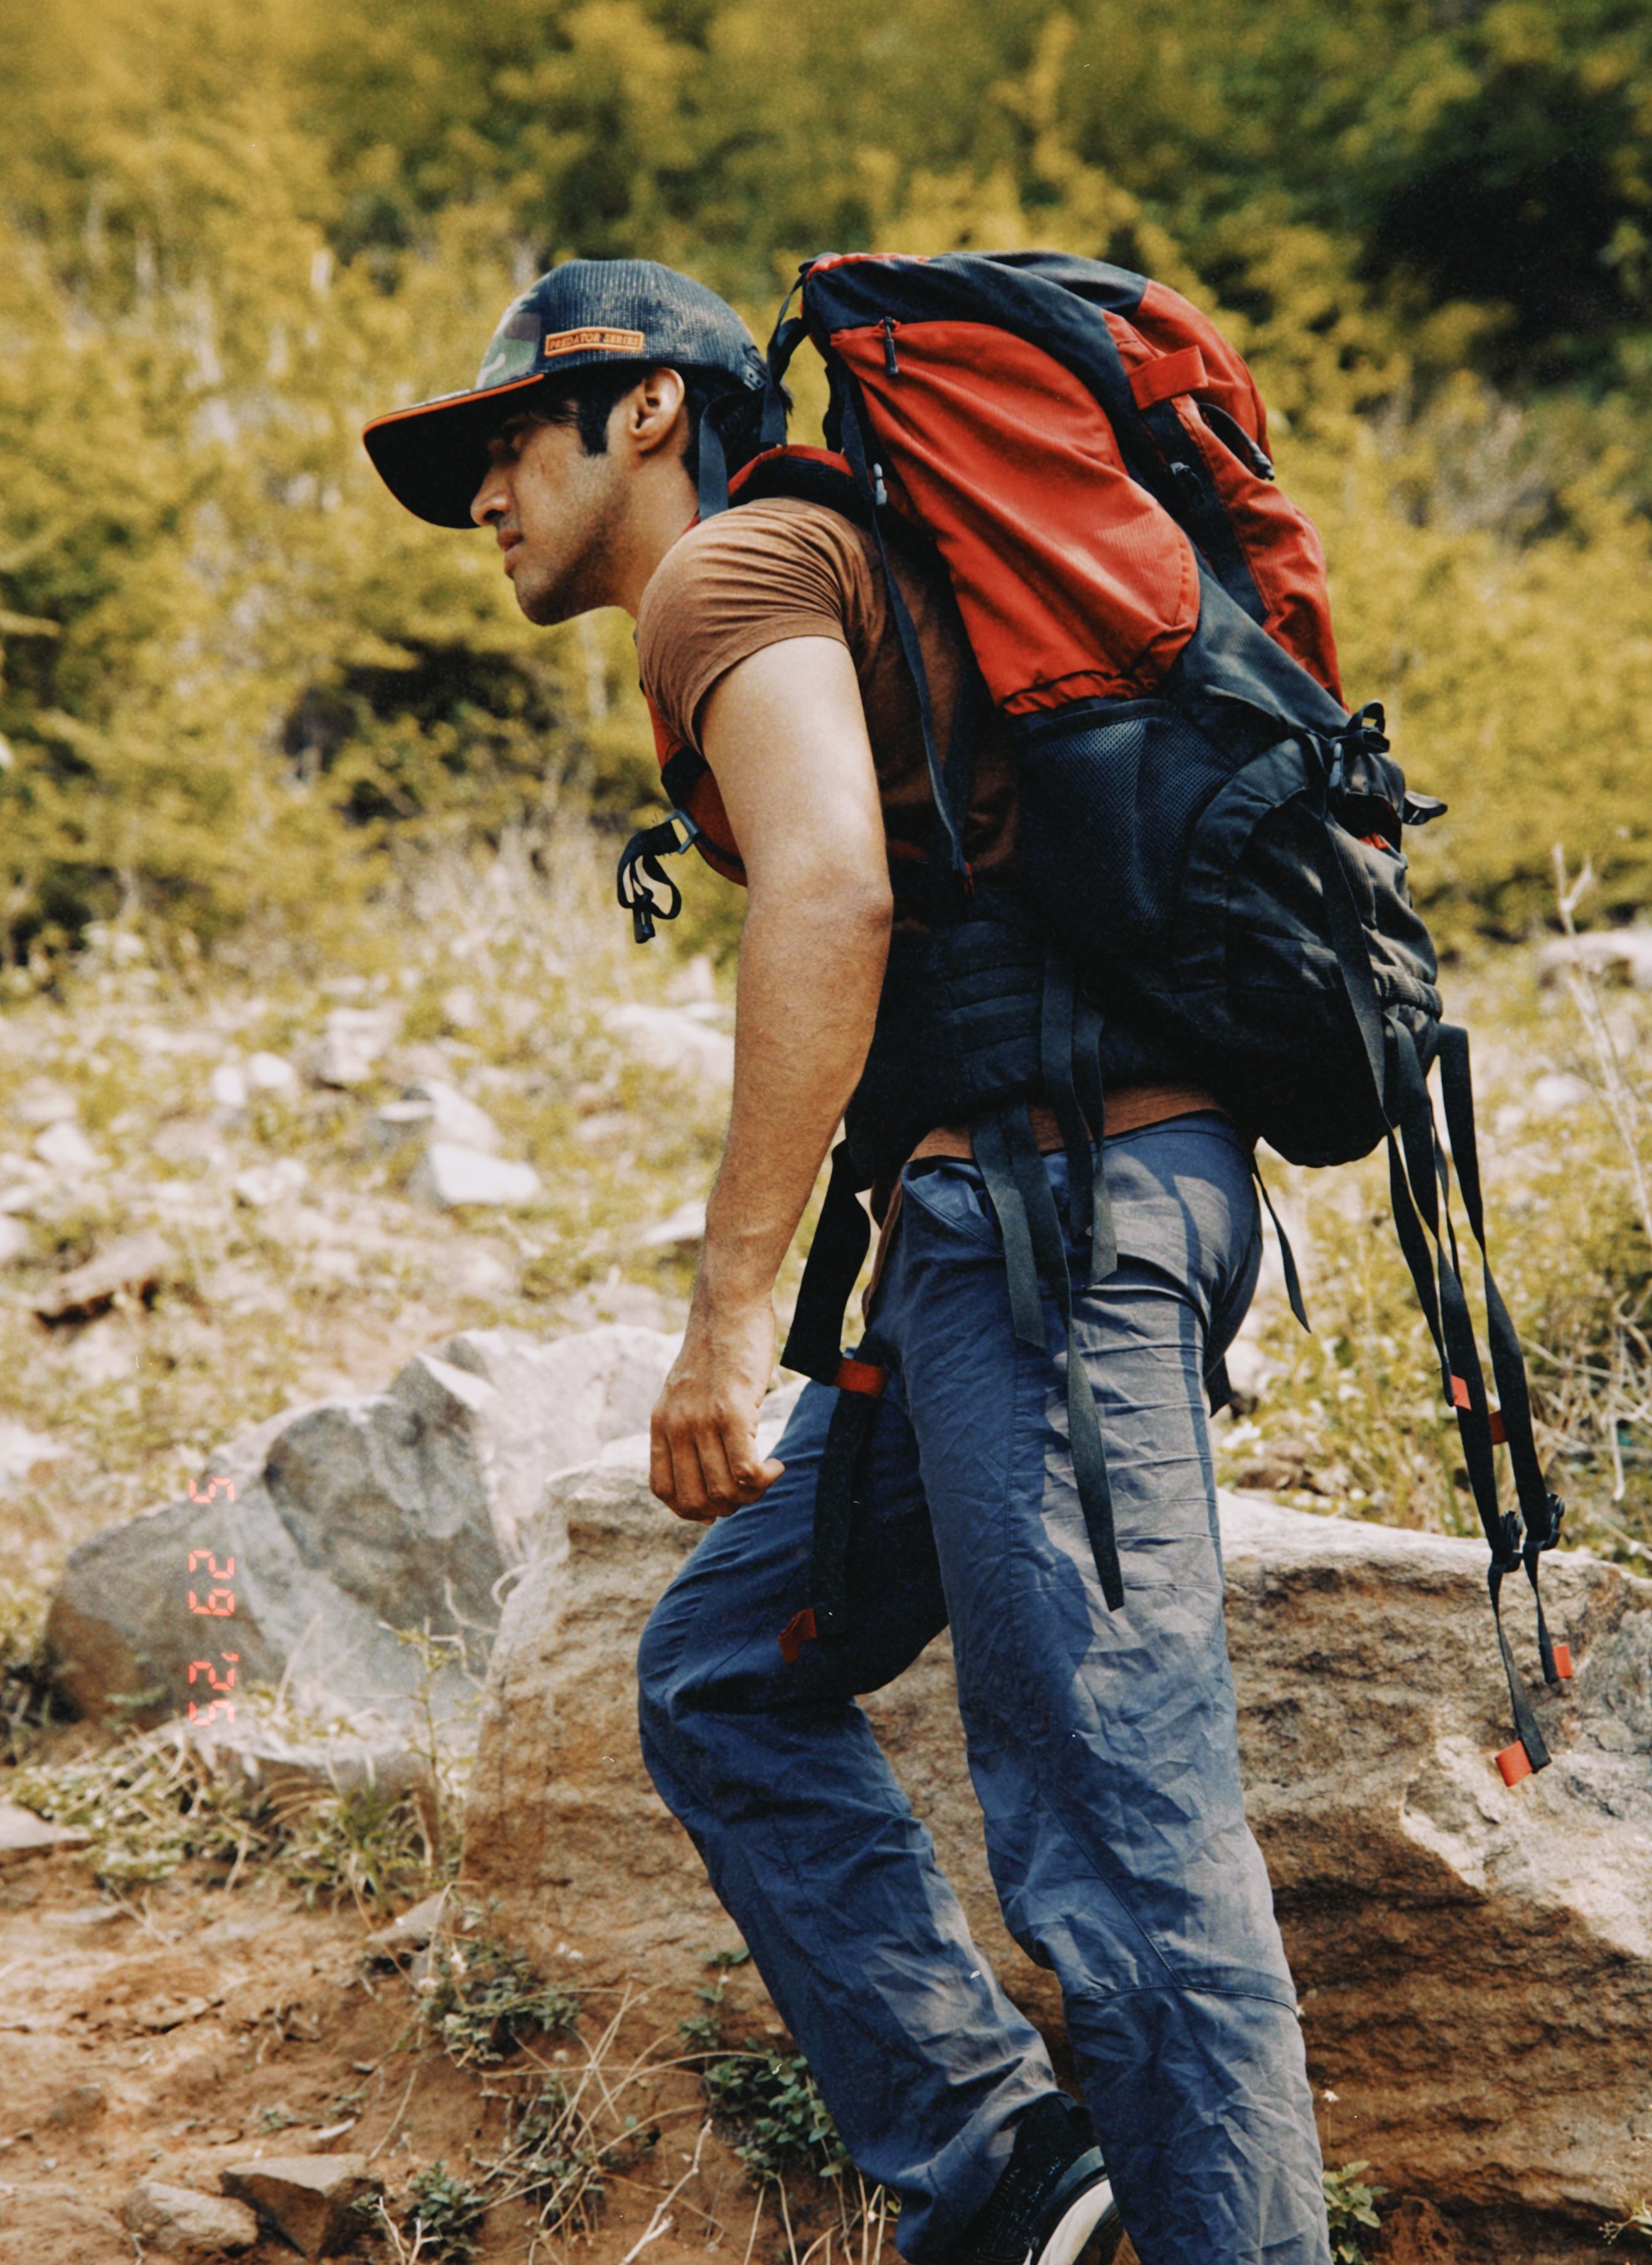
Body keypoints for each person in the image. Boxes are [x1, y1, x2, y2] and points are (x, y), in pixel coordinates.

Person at [363, 259, 1332, 2265]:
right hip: (1016, 1240)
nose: (482, 498)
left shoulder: (734, 575)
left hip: (1048, 1237)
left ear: (645, 412)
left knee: (1125, 1849)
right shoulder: (835, 564)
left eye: (505, 442)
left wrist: (726, 1325)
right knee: (725, 1673)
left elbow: (829, 887)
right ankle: (1007, 2170)